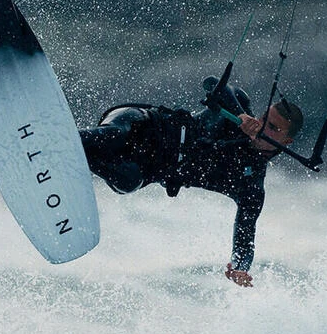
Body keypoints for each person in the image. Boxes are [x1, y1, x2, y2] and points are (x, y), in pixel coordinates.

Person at [79, 76, 304, 287]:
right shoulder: (239, 107)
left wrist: (240, 268)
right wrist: (241, 115)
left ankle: (72, 155)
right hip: (142, 123)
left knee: (127, 182)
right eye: (264, 119)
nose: (262, 127)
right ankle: (69, 139)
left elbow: (245, 236)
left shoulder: (250, 186)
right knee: (115, 135)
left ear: (287, 141)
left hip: (146, 166)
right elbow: (212, 83)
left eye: (273, 128)